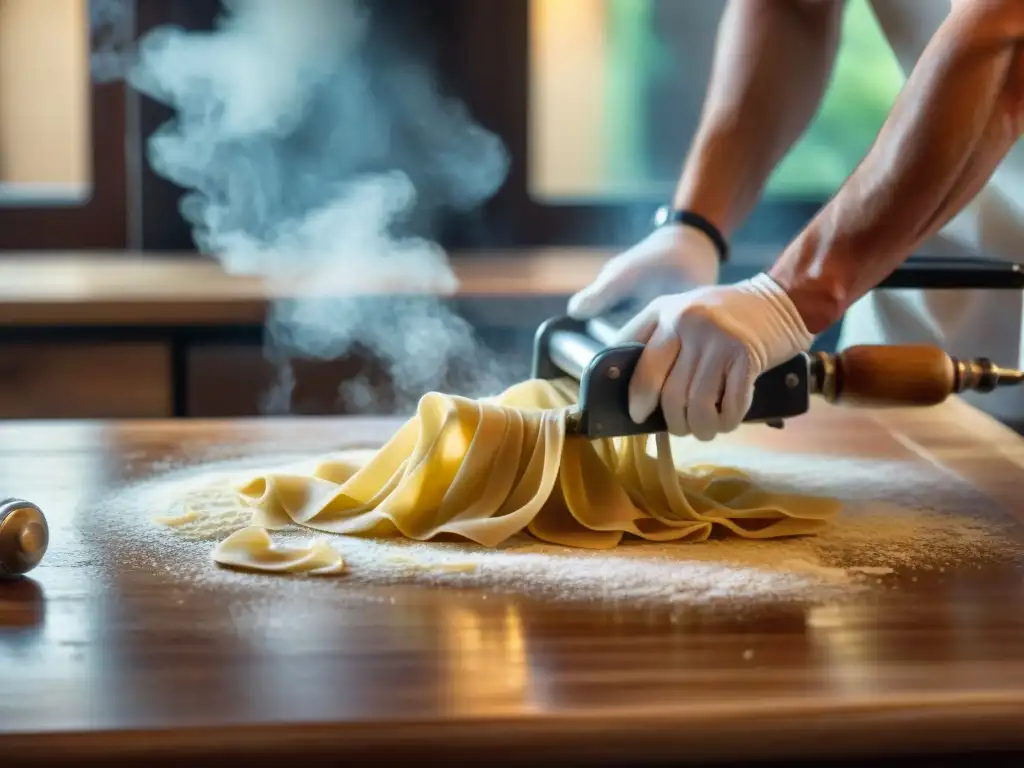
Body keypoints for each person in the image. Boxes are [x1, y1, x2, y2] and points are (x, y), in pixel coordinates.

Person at [567, 0, 1024, 441]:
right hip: (926, 270)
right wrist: (695, 226)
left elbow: (1005, 43)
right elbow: (794, 9)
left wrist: (792, 296)